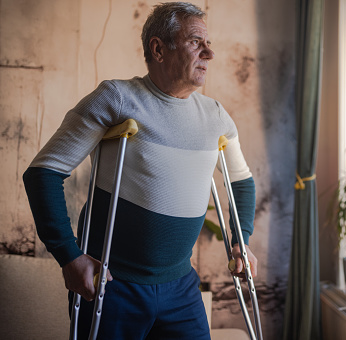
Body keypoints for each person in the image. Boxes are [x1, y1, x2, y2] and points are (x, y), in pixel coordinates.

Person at [23, 2, 257, 339]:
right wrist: (69, 256)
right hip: (114, 284)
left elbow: (241, 182)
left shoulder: (216, 116)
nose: (209, 53)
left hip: (181, 288)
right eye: (195, 42)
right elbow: (43, 172)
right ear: (158, 49)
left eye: (209, 43)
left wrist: (241, 240)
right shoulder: (117, 98)